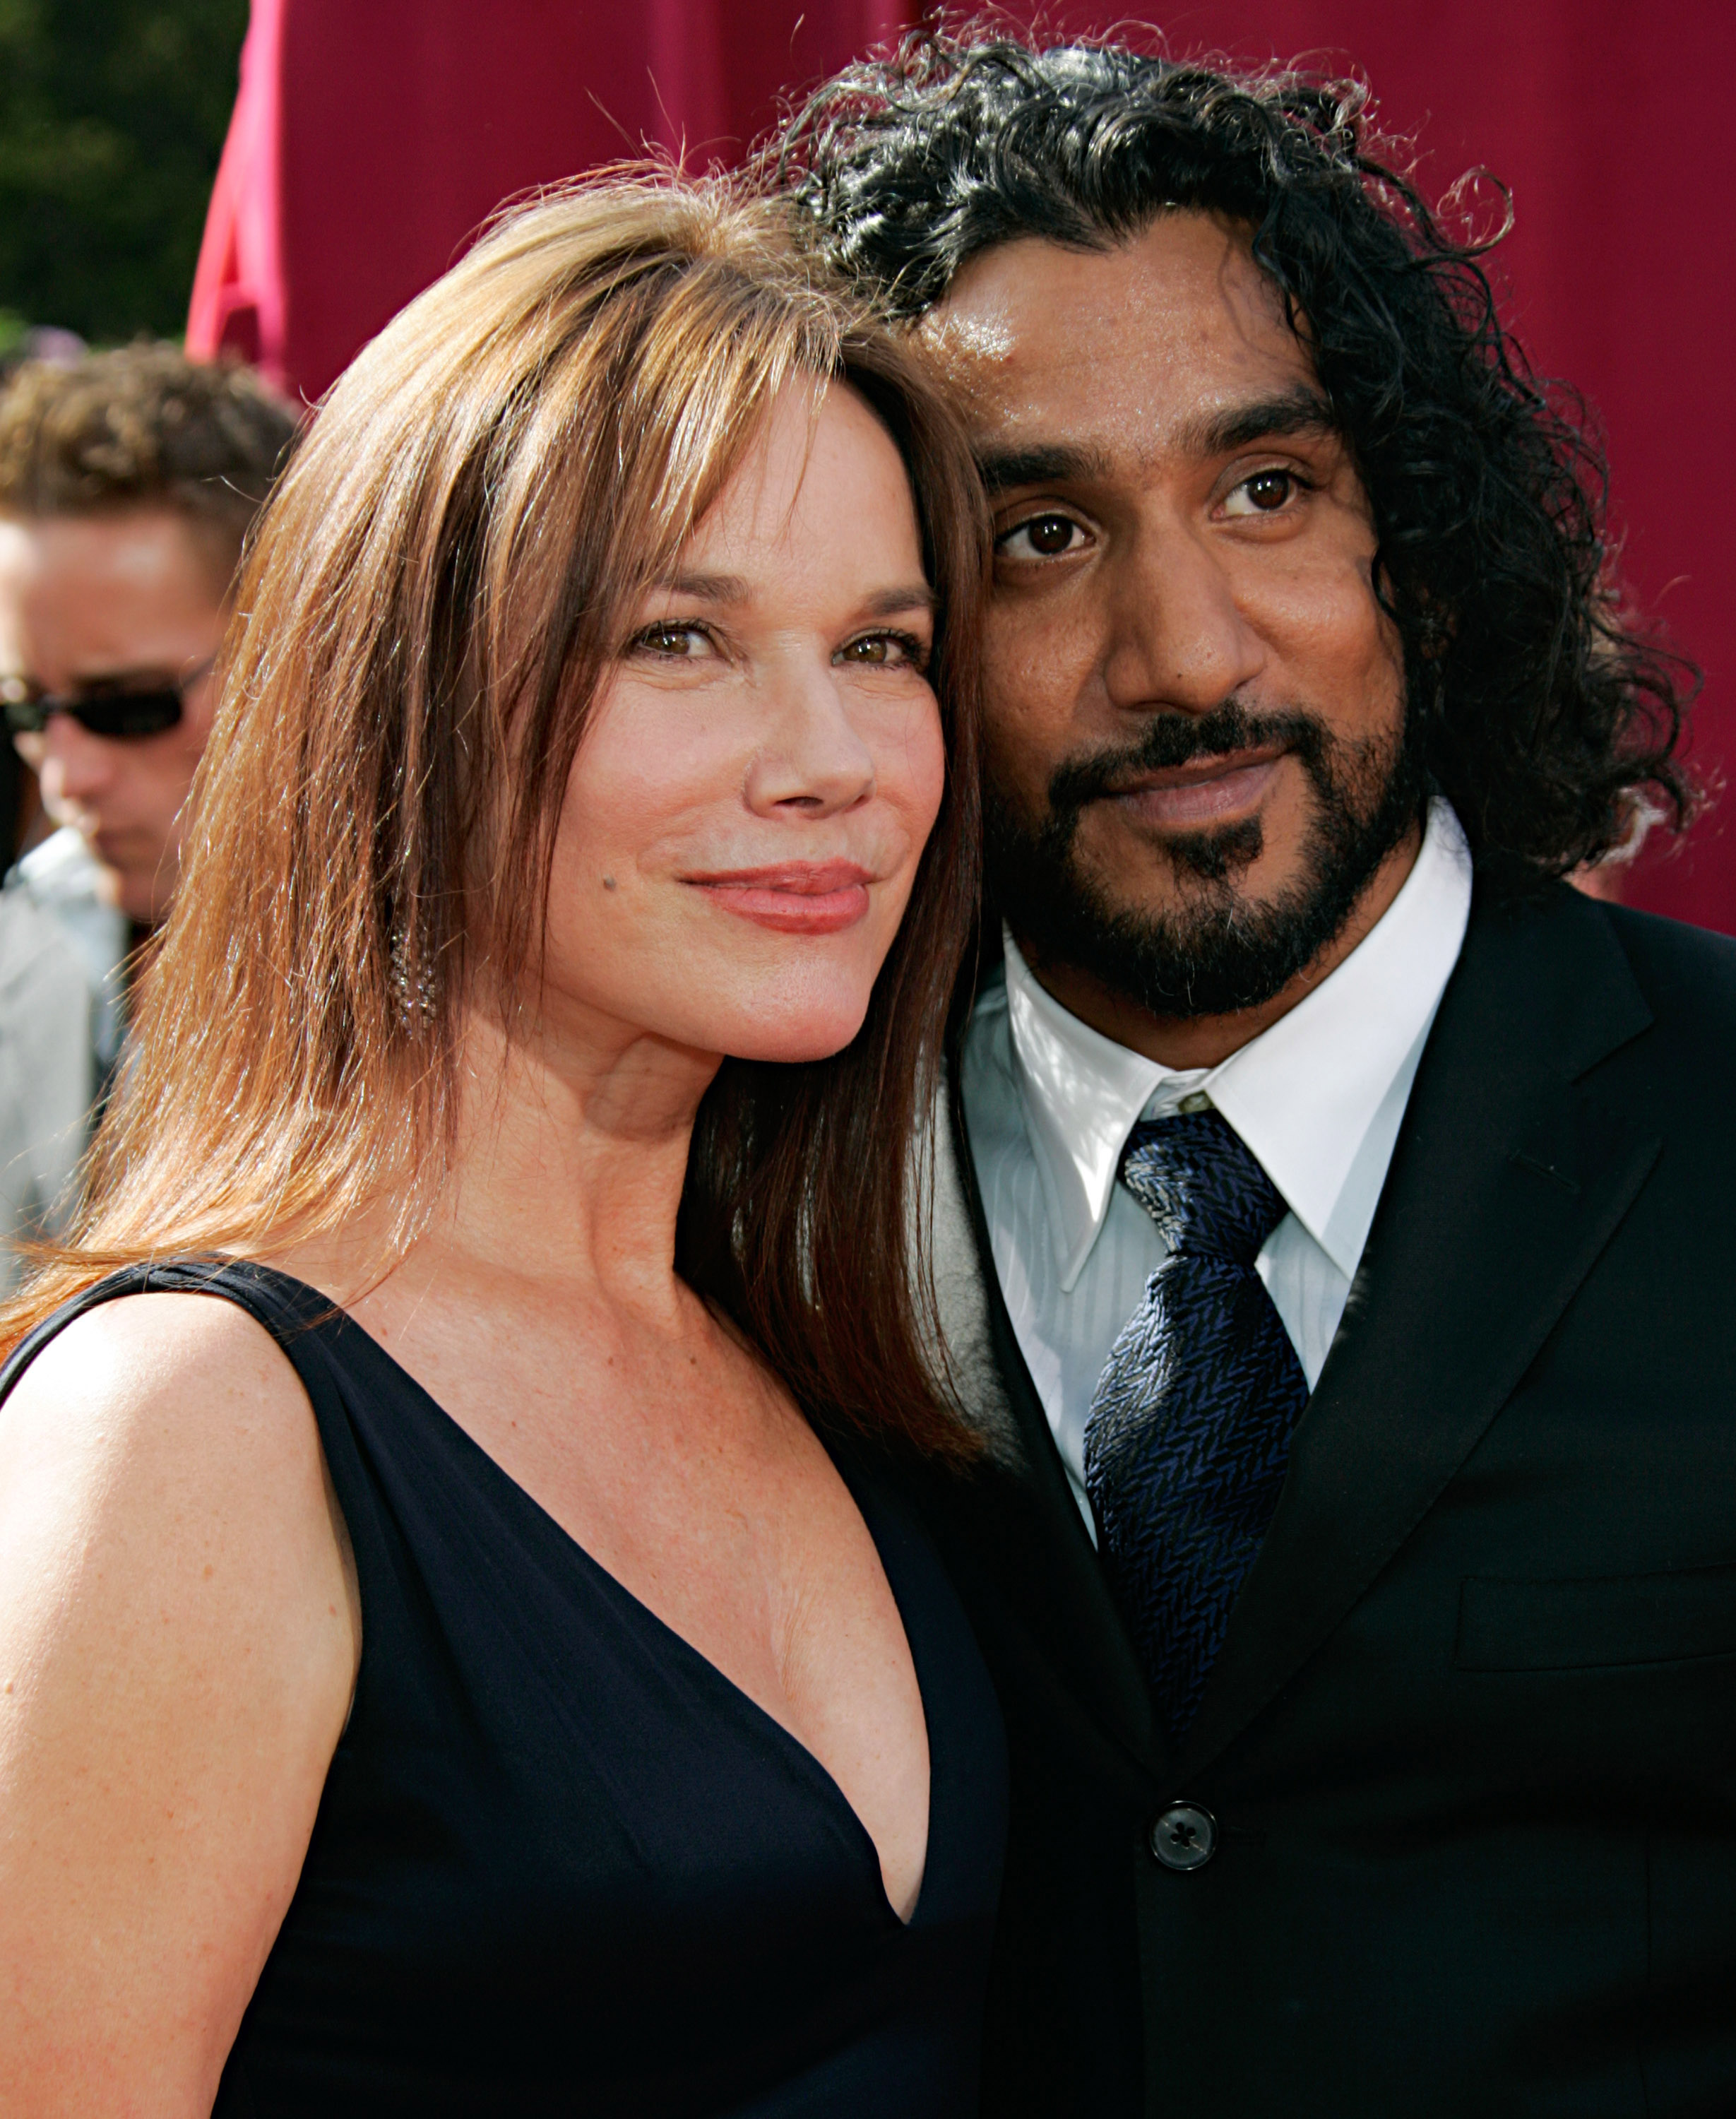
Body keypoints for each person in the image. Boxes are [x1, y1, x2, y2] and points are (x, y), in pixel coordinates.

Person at [784, 32, 1736, 2118]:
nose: (1186, 654)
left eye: (1267, 489)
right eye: (1037, 535)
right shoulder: (738, 1206)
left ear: (1425, 541)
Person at [0, 177, 1004, 2116]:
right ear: (406, 698)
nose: (834, 758)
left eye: (883, 649)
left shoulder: (818, 1354)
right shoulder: (189, 1428)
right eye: (680, 641)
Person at [0, 345, 299, 1091]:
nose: (69, 775)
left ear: (297, 648)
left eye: (130, 707)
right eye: (28, 708)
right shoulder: (27, 941)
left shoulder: (485, 1000)